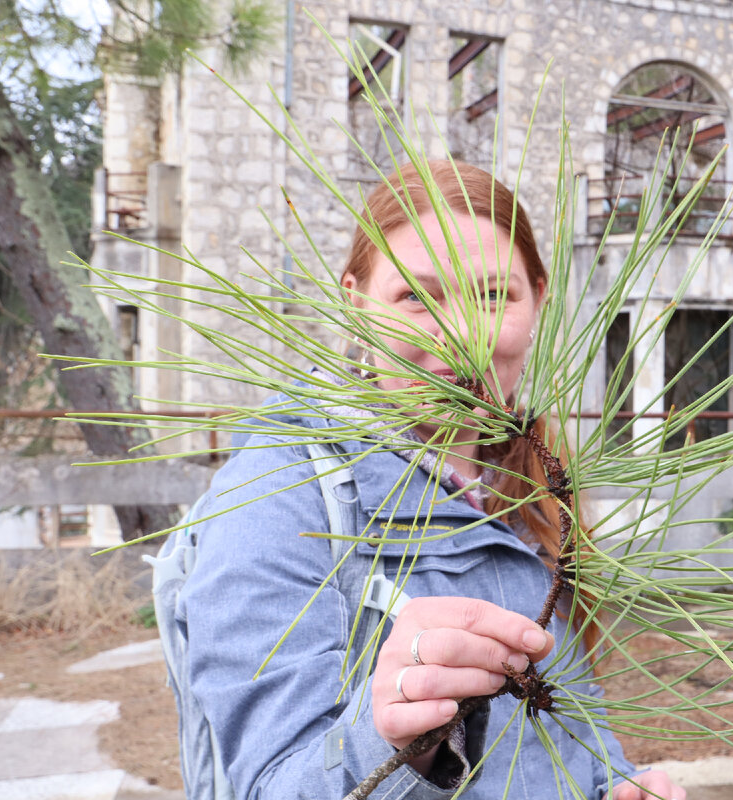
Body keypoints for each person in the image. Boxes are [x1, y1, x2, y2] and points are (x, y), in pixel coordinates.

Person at [180, 160, 687, 800]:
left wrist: (616, 784)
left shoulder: (533, 483)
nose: (461, 338)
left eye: (493, 296)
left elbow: (570, 726)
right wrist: (391, 742)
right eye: (416, 298)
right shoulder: (277, 494)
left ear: (539, 299)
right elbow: (272, 786)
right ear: (355, 304)